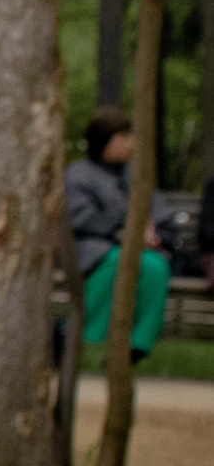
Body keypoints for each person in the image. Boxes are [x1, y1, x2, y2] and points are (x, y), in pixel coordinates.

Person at [66, 107, 170, 361]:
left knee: (156, 267)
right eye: (123, 138)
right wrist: (123, 233)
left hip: (140, 248)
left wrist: (155, 233)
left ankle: (138, 344)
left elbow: (159, 211)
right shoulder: (79, 174)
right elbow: (81, 218)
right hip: (94, 248)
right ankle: (91, 337)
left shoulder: (136, 174)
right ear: (103, 141)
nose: (130, 144)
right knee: (118, 262)